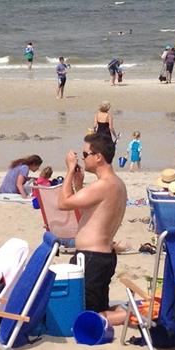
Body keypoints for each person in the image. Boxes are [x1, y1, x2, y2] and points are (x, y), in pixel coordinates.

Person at [58, 133, 128, 323]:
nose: (82, 158)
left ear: (98, 157)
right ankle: (126, 311)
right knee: (96, 307)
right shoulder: (117, 184)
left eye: (85, 154)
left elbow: (63, 202)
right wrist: (78, 184)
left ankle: (130, 314)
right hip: (101, 256)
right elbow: (90, 213)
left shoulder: (104, 185)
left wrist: (70, 170)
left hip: (92, 258)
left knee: (84, 315)